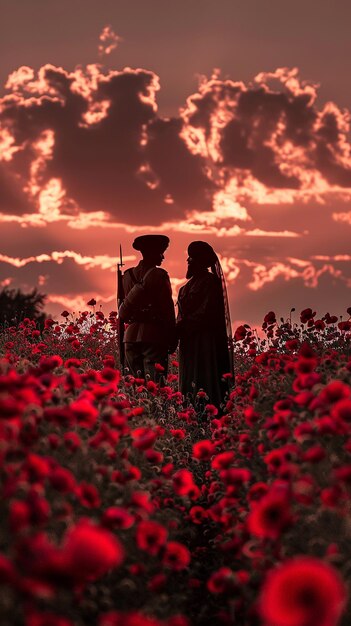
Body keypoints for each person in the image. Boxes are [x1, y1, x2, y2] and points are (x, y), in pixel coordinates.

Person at [176, 241, 233, 407]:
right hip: (188, 341)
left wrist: (184, 325)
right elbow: (181, 315)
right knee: (189, 376)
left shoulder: (210, 282)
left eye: (192, 258)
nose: (188, 261)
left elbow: (207, 312)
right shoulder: (184, 289)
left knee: (205, 375)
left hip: (205, 340)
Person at [118, 234, 176, 382]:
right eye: (160, 253)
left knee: (136, 386)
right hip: (154, 335)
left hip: (130, 336)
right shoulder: (160, 275)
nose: (162, 257)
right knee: (155, 385)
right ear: (152, 253)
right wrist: (172, 336)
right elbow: (167, 308)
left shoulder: (127, 275)